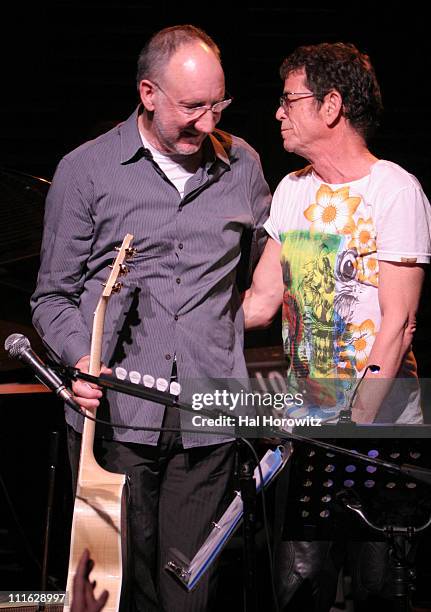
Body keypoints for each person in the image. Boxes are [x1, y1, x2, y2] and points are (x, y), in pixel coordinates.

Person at [31, 25, 271, 612]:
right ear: (148, 93)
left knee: (187, 593)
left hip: (209, 414)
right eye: (192, 107)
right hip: (115, 420)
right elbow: (51, 297)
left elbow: (270, 269)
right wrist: (81, 361)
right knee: (116, 594)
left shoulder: (243, 165)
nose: (208, 123)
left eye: (218, 105)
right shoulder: (86, 170)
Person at [243, 42, 431, 610]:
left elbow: (397, 326)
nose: (277, 112)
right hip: (310, 426)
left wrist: (353, 427)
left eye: (288, 100)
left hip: (382, 431)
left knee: (378, 591)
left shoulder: (394, 191)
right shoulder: (293, 191)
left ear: (330, 106)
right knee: (299, 587)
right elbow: (260, 301)